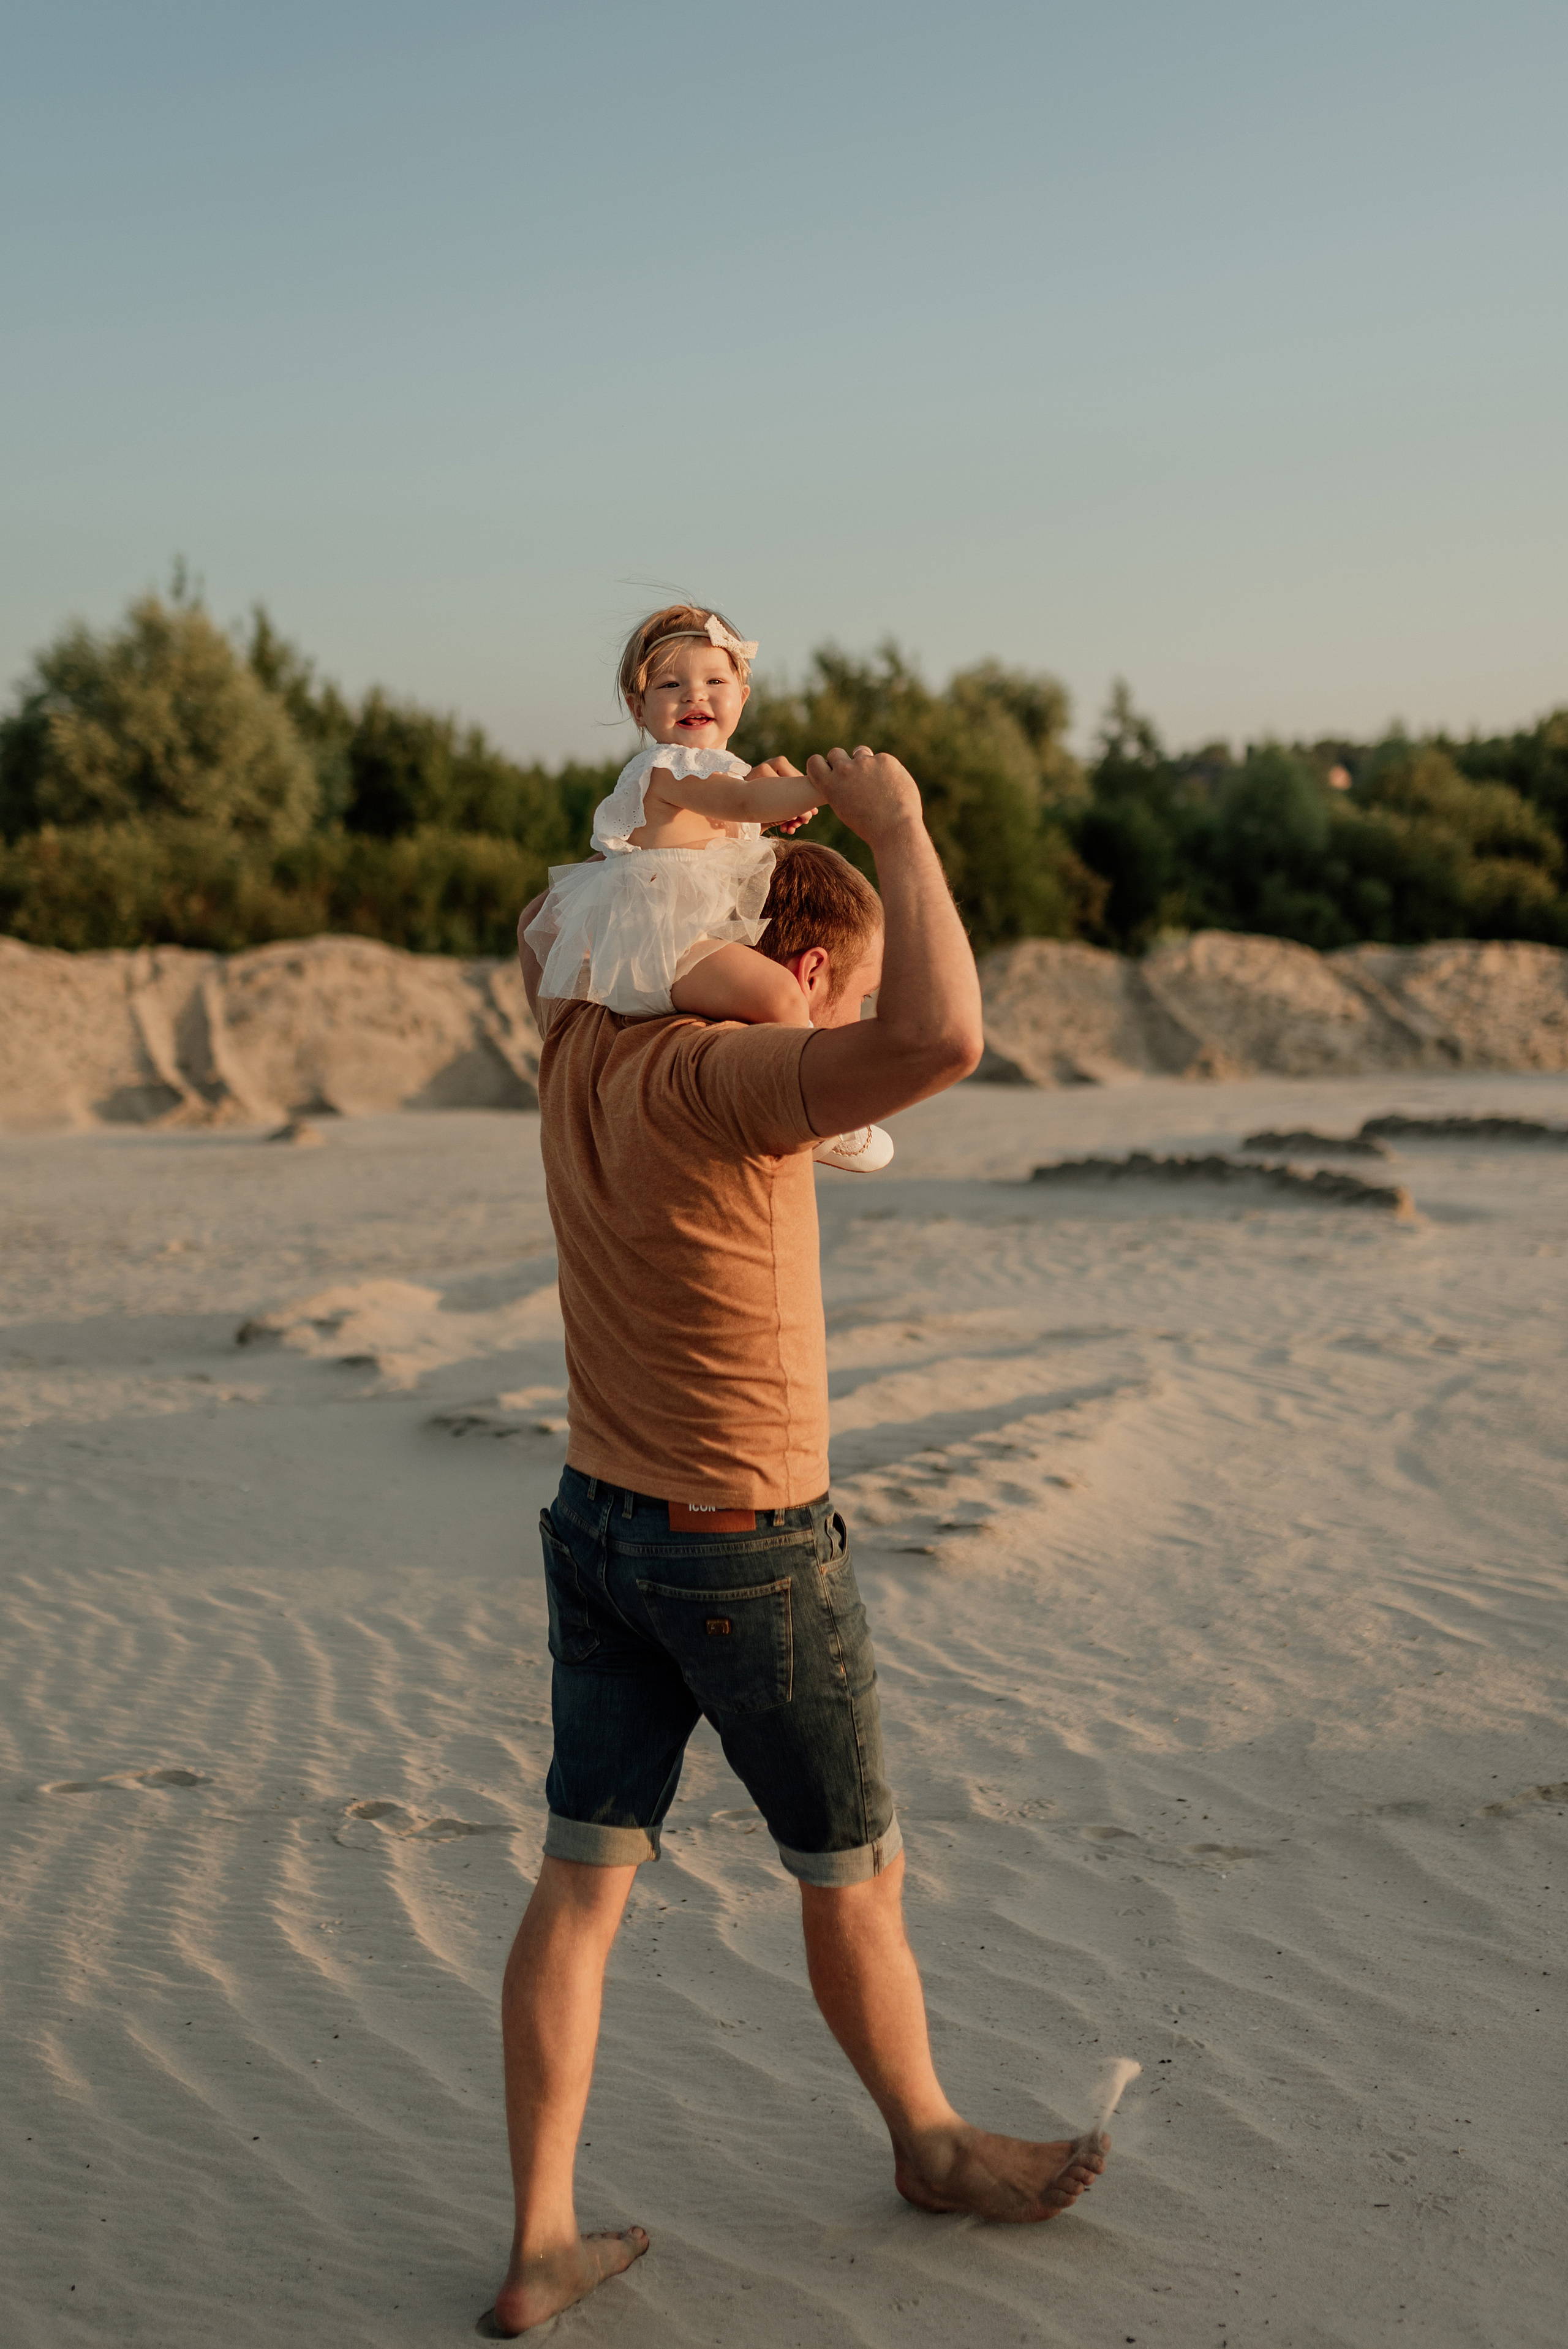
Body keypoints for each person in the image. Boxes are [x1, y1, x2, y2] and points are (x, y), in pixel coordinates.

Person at [488, 744, 1108, 2336]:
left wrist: (687, 838)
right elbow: (947, 1037)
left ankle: (543, 2240)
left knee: (580, 1885)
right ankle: (929, 2142)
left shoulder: (577, 1049)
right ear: (805, 969)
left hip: (595, 1528)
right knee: (855, 1878)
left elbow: (552, 931)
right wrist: (896, 825)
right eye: (840, 989)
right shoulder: (737, 1080)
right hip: (745, 1550)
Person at [523, 602, 894, 1172]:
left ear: (742, 697)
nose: (695, 696)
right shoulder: (666, 768)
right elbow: (742, 802)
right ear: (639, 709)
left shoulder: (716, 770)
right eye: (671, 685)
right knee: (777, 996)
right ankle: (815, 1111)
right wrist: (831, 786)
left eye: (714, 681)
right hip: (664, 940)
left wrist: (776, 790)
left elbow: (742, 800)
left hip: (680, 932)